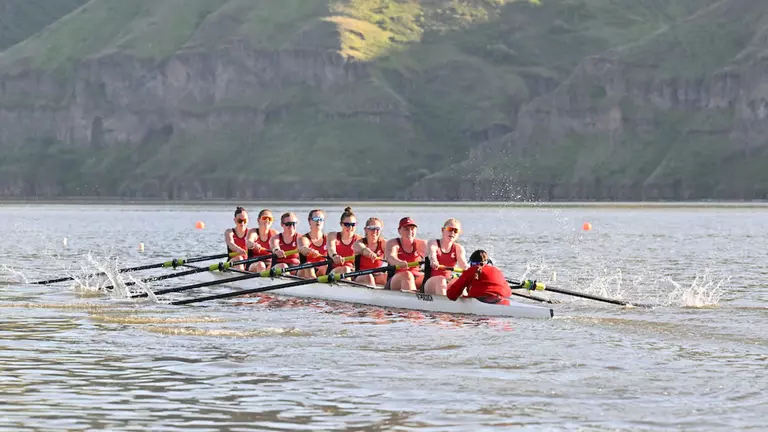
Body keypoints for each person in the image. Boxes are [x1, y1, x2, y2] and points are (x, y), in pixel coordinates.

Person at [446, 250, 512, 305]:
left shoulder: (471, 270)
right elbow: (509, 292)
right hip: (503, 299)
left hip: (483, 301)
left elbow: (452, 295)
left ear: (472, 263)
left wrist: (450, 284)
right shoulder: (497, 270)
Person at [423, 218, 468, 296]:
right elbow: (432, 254)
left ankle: (466, 304)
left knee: (460, 282)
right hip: (429, 283)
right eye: (450, 229)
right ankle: (444, 305)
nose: (453, 233)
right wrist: (434, 260)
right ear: (443, 230)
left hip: (447, 281)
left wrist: (472, 270)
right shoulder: (433, 243)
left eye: (456, 231)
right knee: (441, 279)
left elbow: (463, 265)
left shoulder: (458, 248)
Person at [384, 217, 427, 291]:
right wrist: (399, 262)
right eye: (406, 229)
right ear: (399, 231)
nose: (410, 232)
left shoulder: (422, 244)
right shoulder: (393, 243)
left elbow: (435, 256)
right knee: (407, 274)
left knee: (435, 278)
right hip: (396, 280)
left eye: (412, 229)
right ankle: (414, 300)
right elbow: (390, 257)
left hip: (416, 276)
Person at [353, 216, 387, 285]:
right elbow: (363, 249)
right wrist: (370, 253)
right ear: (366, 230)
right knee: (369, 276)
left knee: (386, 276)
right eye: (372, 228)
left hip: (377, 275)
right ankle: (374, 295)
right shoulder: (359, 243)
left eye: (377, 229)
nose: (375, 231)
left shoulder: (383, 243)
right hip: (361, 275)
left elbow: (392, 253)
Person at [328, 207, 361, 277]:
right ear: (341, 224)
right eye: (347, 224)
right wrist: (334, 255)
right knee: (346, 269)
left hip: (352, 271)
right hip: (334, 270)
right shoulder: (333, 236)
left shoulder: (359, 240)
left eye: (353, 224)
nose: (350, 227)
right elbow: (331, 248)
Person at [297, 209, 329, 278]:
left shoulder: (328, 239)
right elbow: (303, 248)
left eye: (321, 219)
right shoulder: (303, 238)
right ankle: (315, 285)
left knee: (326, 266)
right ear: (309, 221)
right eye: (316, 219)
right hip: (305, 269)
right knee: (308, 265)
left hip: (321, 269)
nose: (318, 221)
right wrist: (310, 251)